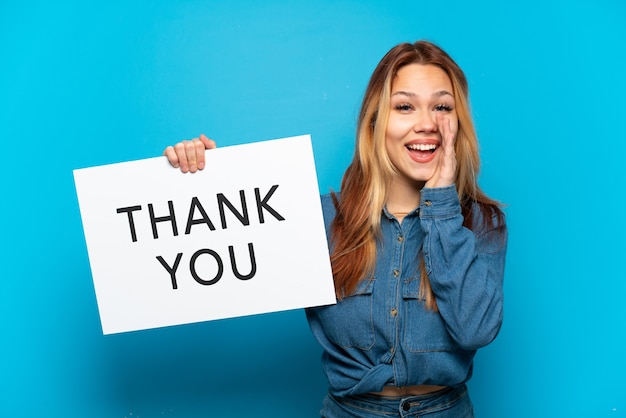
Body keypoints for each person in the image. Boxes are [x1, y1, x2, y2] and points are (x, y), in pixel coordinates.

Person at [163, 40, 507, 418]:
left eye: (442, 107)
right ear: (376, 121)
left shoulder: (482, 224)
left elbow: (476, 330)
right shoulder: (315, 220)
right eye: (405, 106)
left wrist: (441, 205)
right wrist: (202, 184)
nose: (426, 123)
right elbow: (223, 265)